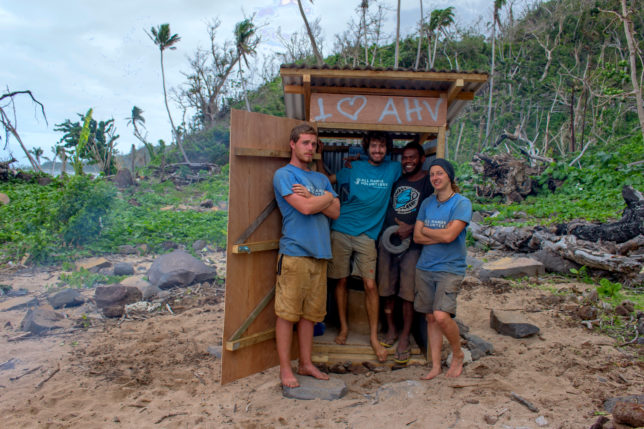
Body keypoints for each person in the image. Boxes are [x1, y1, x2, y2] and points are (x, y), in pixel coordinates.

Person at [320, 131, 401, 362]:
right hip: (342, 228)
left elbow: (414, 172)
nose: (378, 150)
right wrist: (320, 155)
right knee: (341, 280)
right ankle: (344, 328)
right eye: (374, 146)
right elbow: (327, 180)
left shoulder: (393, 169)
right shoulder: (353, 169)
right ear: (367, 148)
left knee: (369, 284)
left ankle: (374, 337)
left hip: (368, 235)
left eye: (382, 146)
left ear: (387, 149)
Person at [273, 124, 340, 388]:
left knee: (310, 316)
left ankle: (306, 363)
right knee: (287, 314)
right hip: (295, 254)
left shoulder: (320, 179)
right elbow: (305, 208)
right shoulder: (284, 175)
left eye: (314, 144)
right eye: (305, 143)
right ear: (293, 144)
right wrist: (322, 199)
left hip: (320, 254)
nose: (310, 148)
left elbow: (335, 212)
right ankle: (285, 369)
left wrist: (315, 196)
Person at [413, 158, 472, 379]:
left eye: (440, 174)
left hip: (450, 268)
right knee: (430, 317)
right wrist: (440, 235)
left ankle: (458, 354)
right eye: (432, 175)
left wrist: (430, 231)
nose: (435, 178)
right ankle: (436, 366)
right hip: (425, 267)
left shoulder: (461, 203)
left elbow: (450, 236)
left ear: (449, 176)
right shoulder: (428, 203)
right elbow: (417, 236)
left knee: (441, 315)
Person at [377, 141, 433, 364]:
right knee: (387, 289)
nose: (408, 161)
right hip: (388, 242)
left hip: (413, 246)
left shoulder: (428, 182)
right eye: (405, 158)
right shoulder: (397, 181)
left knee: (407, 294)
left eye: (412, 158)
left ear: (421, 159)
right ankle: (391, 329)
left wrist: (412, 227)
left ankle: (405, 337)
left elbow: (433, 210)